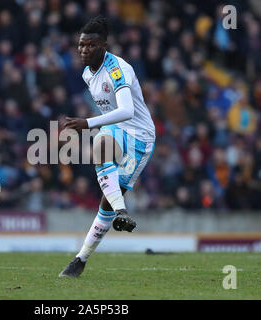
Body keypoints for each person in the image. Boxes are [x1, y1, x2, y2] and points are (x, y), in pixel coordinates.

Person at [59, 16, 155, 278]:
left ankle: (82, 257)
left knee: (105, 204)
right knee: (100, 143)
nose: (83, 50)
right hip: (116, 131)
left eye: (90, 45)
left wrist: (88, 122)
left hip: (140, 137)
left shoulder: (118, 70)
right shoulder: (87, 73)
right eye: (80, 45)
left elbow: (126, 110)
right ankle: (81, 259)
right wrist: (95, 127)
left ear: (103, 45)